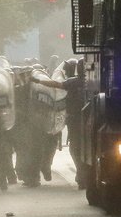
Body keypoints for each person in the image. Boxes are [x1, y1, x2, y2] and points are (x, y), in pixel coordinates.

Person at [30, 58, 87, 188]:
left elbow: (56, 84)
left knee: (75, 149)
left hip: (75, 121)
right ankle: (83, 175)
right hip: (88, 120)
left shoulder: (74, 82)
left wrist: (38, 81)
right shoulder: (94, 81)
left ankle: (81, 175)